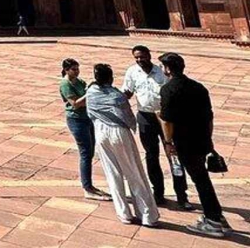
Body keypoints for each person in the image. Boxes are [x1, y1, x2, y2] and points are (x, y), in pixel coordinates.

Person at [158, 52, 230, 235]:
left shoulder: (168, 89)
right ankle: (216, 215)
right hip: (202, 139)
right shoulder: (199, 87)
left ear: (167, 69)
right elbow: (209, 117)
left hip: (185, 141)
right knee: (202, 178)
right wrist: (208, 140)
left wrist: (168, 142)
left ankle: (213, 221)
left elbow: (167, 121)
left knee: (200, 180)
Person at [84, 64, 159, 226]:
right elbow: (128, 116)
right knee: (134, 172)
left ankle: (124, 214)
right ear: (110, 78)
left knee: (112, 174)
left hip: (100, 131)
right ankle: (147, 215)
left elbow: (89, 113)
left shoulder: (91, 92)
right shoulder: (117, 96)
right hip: (119, 132)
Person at [123, 45, 188, 209]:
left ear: (149, 55)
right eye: (136, 57)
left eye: (142, 56)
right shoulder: (132, 72)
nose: (139, 60)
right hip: (145, 117)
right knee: (151, 156)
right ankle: (158, 193)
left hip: (164, 117)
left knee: (173, 155)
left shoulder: (162, 72)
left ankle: (182, 194)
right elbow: (127, 92)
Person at [59, 58, 107, 202]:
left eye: (77, 69)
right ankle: (87, 187)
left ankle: (90, 185)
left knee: (90, 151)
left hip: (87, 117)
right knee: (85, 153)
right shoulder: (65, 84)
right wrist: (90, 93)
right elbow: (75, 104)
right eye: (73, 69)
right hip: (76, 120)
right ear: (66, 70)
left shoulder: (79, 81)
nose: (76, 71)